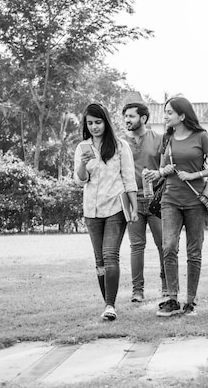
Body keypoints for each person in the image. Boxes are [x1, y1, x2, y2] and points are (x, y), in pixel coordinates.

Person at [145, 97, 208, 317]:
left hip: (195, 201)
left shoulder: (201, 136)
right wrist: (161, 171)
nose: (165, 115)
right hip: (170, 199)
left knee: (194, 251)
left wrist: (194, 174)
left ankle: (191, 301)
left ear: (182, 115)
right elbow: (162, 169)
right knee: (168, 247)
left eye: (169, 112)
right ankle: (171, 298)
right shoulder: (167, 138)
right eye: (165, 112)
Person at [74, 103, 138, 322]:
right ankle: (107, 304)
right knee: (99, 260)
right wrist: (83, 165)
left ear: (106, 122)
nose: (94, 127)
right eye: (90, 123)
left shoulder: (120, 147)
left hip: (115, 208)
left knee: (111, 255)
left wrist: (134, 207)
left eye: (98, 122)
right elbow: (80, 180)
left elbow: (129, 179)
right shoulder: (83, 147)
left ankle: (110, 305)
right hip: (91, 210)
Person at [122, 102, 166, 302]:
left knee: (164, 245)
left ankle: (166, 287)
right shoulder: (120, 143)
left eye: (131, 116)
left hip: (157, 200)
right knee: (136, 246)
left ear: (144, 118)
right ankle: (137, 291)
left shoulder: (159, 139)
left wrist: (157, 178)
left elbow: (166, 169)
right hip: (132, 201)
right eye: (126, 116)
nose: (127, 120)